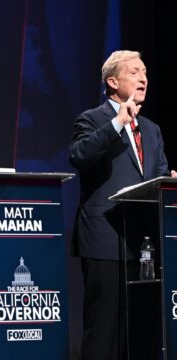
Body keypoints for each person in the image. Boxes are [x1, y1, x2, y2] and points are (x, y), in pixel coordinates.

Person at [69, 50, 177, 360]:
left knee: (141, 331)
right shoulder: (91, 119)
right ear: (113, 82)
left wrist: (168, 182)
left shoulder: (152, 130)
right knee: (103, 331)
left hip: (144, 244)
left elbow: (155, 177)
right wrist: (118, 122)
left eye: (145, 72)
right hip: (104, 240)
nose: (144, 78)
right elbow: (79, 156)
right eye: (134, 72)